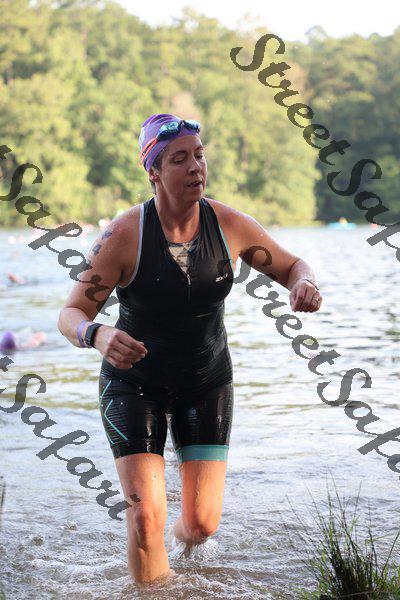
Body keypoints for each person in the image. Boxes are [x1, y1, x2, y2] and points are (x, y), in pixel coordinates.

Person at [57, 113, 323, 585]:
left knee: (201, 526)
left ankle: (177, 564)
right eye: (179, 159)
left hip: (205, 382)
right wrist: (96, 334)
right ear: (154, 172)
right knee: (145, 519)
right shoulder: (124, 235)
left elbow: (292, 266)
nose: (196, 166)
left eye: (199, 155)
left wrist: (304, 283)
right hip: (134, 385)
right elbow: (71, 313)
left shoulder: (230, 225)